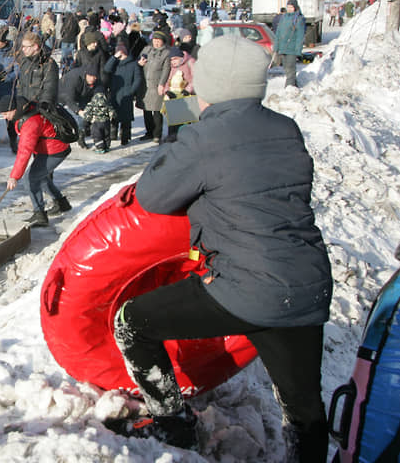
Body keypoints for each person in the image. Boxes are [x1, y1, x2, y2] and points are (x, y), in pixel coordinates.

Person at [112, 36, 332, 461]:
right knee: (303, 406)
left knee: (132, 322)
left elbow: (153, 196)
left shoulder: (203, 138)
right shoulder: (286, 129)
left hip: (245, 287)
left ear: (209, 84)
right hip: (306, 285)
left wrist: (178, 139)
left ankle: (171, 423)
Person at [0, 94, 70, 227]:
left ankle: (40, 215)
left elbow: (24, 151)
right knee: (40, 176)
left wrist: (14, 177)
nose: (4, 117)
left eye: (5, 113)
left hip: (54, 151)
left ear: (13, 109)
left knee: (30, 179)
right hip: (52, 148)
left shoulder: (30, 122)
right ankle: (62, 204)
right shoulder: (25, 110)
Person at [104, 43, 143, 146]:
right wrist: (114, 57)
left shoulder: (133, 64)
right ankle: (113, 134)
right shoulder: (115, 63)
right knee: (114, 115)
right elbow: (106, 69)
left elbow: (138, 79)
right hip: (115, 92)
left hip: (127, 93)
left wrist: (131, 91)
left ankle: (125, 137)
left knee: (126, 118)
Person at [138, 31, 171, 143]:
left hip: (156, 85)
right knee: (146, 110)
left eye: (158, 40)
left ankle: (157, 134)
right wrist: (140, 63)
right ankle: (149, 132)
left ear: (163, 41)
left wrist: (162, 84)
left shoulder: (166, 53)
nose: (156, 42)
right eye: (154, 40)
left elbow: (166, 70)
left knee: (157, 110)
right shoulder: (147, 49)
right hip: (145, 85)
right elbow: (139, 60)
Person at [161, 46, 195, 142]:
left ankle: (186, 140)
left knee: (185, 121)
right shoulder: (173, 67)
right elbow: (168, 80)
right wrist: (167, 90)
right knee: (173, 121)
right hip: (175, 96)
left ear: (180, 57)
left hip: (187, 96)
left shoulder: (190, 62)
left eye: (175, 59)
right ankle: (172, 138)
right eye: (171, 60)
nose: (173, 61)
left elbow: (196, 77)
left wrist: (188, 89)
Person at [274, 0, 306, 88]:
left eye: (291, 7)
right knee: (287, 70)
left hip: (292, 49)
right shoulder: (283, 18)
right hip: (283, 48)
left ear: (295, 7)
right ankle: (295, 87)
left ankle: (288, 89)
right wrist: (276, 47)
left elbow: (300, 36)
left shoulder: (298, 19)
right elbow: (278, 33)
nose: (289, 9)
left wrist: (298, 51)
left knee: (290, 70)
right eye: (288, 7)